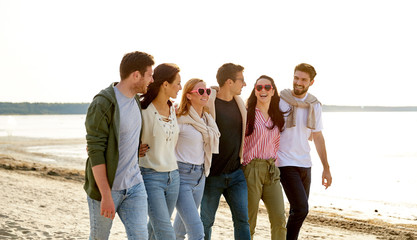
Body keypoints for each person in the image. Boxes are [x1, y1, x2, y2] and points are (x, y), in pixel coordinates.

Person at [84, 51, 154, 240]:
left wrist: (133, 148)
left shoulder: (135, 101)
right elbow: (95, 152)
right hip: (107, 188)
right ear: (136, 75)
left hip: (135, 185)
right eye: (150, 75)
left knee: (140, 236)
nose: (152, 79)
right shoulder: (102, 103)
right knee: (100, 237)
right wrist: (105, 195)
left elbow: (123, 137)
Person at [277, 63, 333, 240]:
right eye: (296, 77)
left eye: (303, 79)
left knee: (298, 210)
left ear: (311, 82)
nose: (298, 82)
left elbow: (317, 136)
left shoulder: (314, 105)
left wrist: (326, 168)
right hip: (284, 162)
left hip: (305, 163)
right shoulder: (280, 99)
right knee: (301, 208)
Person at [200, 63, 251, 240]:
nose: (244, 84)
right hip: (212, 176)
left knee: (243, 221)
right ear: (229, 81)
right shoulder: (207, 103)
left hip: (236, 175)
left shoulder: (240, 105)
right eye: (241, 80)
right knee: (206, 222)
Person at [173, 78, 221, 240]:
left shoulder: (207, 120)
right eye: (200, 91)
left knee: (179, 232)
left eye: (207, 91)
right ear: (188, 96)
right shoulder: (179, 118)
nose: (205, 94)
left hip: (200, 176)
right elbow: (163, 141)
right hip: (182, 176)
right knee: (196, 231)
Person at [139, 63, 182, 240]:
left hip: (173, 177)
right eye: (178, 83)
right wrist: (133, 149)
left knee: (154, 229)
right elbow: (123, 136)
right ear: (165, 84)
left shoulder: (173, 109)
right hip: (150, 177)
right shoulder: (142, 110)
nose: (180, 87)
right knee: (165, 232)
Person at [243, 75, 287, 239]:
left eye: (267, 87)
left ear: (273, 91)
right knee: (248, 222)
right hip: (251, 170)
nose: (263, 90)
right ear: (254, 91)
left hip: (272, 170)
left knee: (279, 219)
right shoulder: (247, 114)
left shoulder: (277, 116)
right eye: (259, 87)